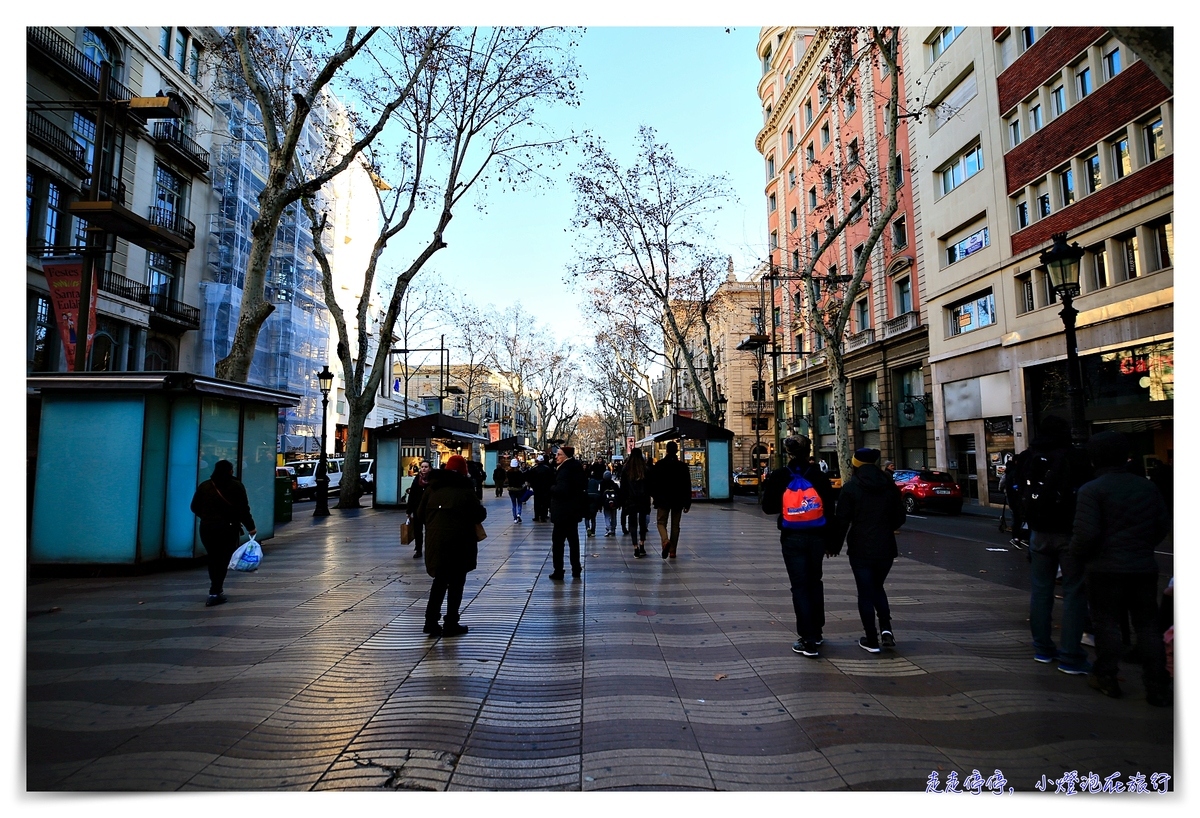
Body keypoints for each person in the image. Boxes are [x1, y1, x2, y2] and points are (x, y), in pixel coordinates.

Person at [1069, 431, 1172, 705]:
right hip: (1142, 566)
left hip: (1104, 568)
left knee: (1108, 624)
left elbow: (1085, 534)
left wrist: (1077, 557)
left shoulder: (1092, 490)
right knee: (1148, 626)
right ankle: (1157, 684)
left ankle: (1106, 676)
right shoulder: (1146, 486)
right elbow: (1162, 525)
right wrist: (1141, 546)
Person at [1012, 414, 1094, 675]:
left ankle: (1042, 649)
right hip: (1069, 532)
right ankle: (1070, 655)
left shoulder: (1028, 456)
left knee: (1041, 590)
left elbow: (1014, 490)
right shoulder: (1075, 456)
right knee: (1073, 592)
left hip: (1038, 531)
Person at [761, 436, 839, 657]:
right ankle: (818, 630)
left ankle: (808, 639)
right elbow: (829, 511)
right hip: (817, 537)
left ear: (788, 453)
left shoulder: (779, 476)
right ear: (809, 451)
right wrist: (831, 542)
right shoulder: (819, 476)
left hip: (792, 537)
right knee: (815, 582)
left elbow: (768, 508)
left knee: (800, 586)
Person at [834, 448, 906, 653]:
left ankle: (871, 638)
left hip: (860, 547)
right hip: (886, 547)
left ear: (855, 463)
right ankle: (886, 629)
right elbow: (899, 518)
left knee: (865, 592)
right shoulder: (888, 485)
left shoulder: (851, 488)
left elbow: (842, 521)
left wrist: (834, 546)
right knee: (877, 587)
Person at [413, 455, 486, 638]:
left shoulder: (432, 488)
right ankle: (451, 622)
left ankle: (430, 622)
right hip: (460, 544)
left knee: (439, 582)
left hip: (436, 543)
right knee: (456, 584)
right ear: (464, 471)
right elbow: (478, 514)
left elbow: (420, 515)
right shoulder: (465, 490)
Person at [190, 460, 257, 607]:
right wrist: (250, 527)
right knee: (222, 559)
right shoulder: (236, 486)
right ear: (230, 471)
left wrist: (207, 517)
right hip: (228, 528)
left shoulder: (205, 486)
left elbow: (194, 507)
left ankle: (215, 589)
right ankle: (215, 591)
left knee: (213, 557)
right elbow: (243, 509)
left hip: (207, 528)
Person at [549, 445, 587, 580]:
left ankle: (558, 570)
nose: (556, 457)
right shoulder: (576, 467)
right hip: (573, 512)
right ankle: (576, 568)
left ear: (565, 456)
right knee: (573, 541)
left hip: (562, 512)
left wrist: (551, 488)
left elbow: (562, 490)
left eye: (559, 454)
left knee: (558, 543)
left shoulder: (565, 470)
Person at [650, 440, 692, 559]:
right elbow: (687, 485)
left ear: (667, 450)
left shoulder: (659, 465)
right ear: (677, 451)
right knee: (675, 525)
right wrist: (687, 502)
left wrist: (655, 497)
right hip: (678, 501)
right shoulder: (683, 467)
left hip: (663, 500)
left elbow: (654, 484)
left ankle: (665, 540)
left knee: (661, 522)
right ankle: (673, 551)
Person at [620, 449, 652, 557]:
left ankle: (635, 547)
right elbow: (649, 486)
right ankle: (642, 544)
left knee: (632, 524)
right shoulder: (645, 469)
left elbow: (623, 487)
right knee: (643, 523)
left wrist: (623, 501)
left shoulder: (626, 469)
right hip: (643, 499)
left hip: (631, 500)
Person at [405, 459, 432, 559]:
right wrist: (409, 510)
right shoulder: (417, 479)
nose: (424, 469)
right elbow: (412, 495)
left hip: (429, 509)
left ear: (430, 468)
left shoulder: (432, 480)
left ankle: (429, 548)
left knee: (430, 530)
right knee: (417, 530)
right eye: (422, 467)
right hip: (418, 509)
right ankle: (418, 549)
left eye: (426, 467)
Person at [529, 454, 554, 522]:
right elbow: (551, 479)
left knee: (537, 502)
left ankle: (537, 516)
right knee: (544, 502)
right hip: (545, 488)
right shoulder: (547, 469)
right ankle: (543, 516)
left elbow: (531, 479)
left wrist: (532, 486)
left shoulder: (534, 469)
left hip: (537, 489)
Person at [506, 458, 528, 523]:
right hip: (519, 490)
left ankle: (515, 518)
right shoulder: (519, 473)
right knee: (519, 503)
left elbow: (507, 481)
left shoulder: (508, 473)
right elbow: (522, 481)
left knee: (513, 504)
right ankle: (519, 514)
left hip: (511, 490)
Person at [600, 470, 620, 537]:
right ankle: (613, 529)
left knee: (607, 516)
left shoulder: (602, 484)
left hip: (605, 503)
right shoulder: (614, 485)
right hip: (614, 504)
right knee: (613, 516)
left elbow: (600, 494)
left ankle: (608, 528)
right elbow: (618, 494)